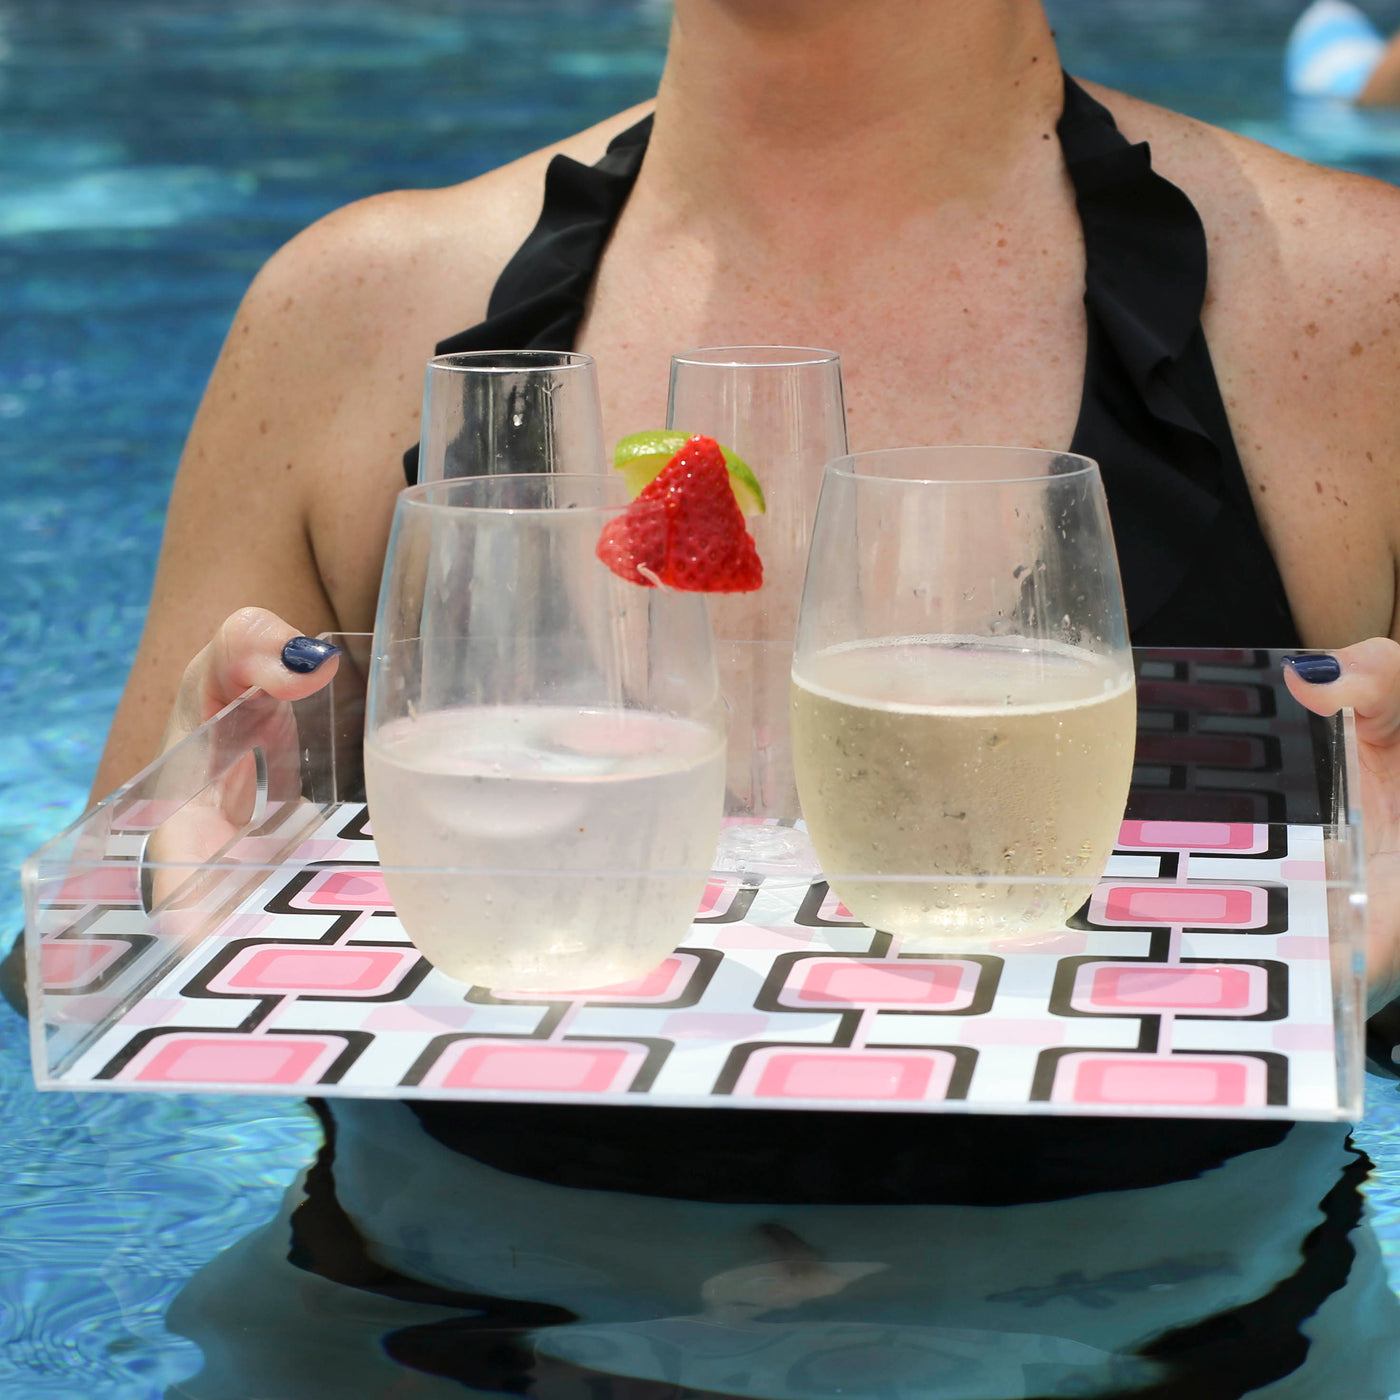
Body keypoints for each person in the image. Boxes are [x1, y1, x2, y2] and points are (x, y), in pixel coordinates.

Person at [20, 1, 1400, 1395]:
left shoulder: (1357, 314)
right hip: (409, 1327)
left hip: (1197, 1333)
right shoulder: (355, 307)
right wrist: (187, 894)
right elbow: (68, 975)